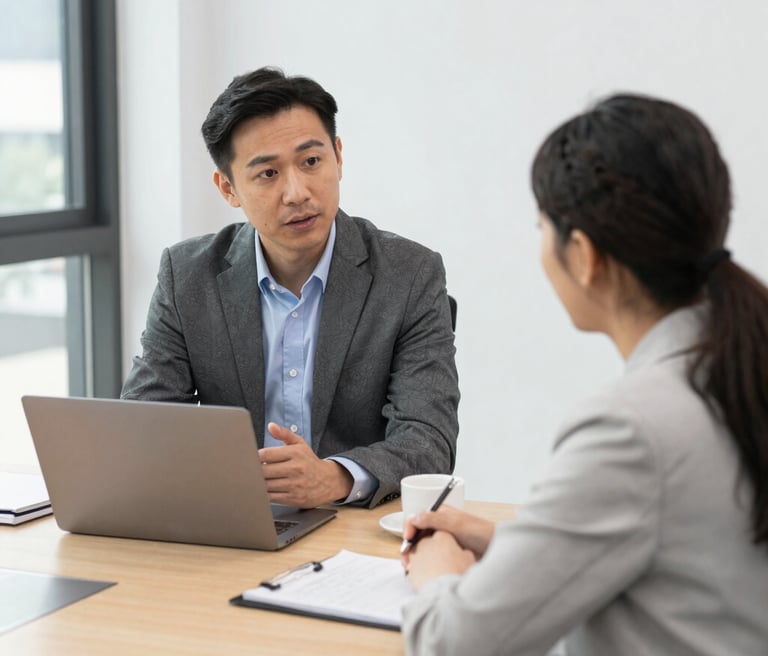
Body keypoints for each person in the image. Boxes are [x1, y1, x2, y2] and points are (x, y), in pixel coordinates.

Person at [401, 94, 768, 655]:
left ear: (584, 255)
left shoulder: (633, 429)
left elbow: (455, 643)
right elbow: (689, 552)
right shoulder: (738, 364)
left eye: (541, 227)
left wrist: (438, 571)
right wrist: (507, 542)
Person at [121, 67, 459, 509]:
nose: (297, 192)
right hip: (230, 520)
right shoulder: (186, 276)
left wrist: (334, 477)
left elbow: (428, 439)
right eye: (267, 174)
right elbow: (148, 424)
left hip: (351, 526)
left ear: (338, 157)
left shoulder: (410, 274)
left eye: (311, 161)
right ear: (228, 188)